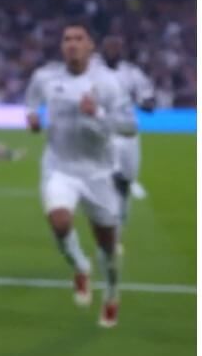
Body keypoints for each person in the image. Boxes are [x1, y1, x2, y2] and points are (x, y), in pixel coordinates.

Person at [25, 21, 137, 328]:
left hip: (98, 173)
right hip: (59, 167)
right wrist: (32, 117)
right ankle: (81, 266)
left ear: (90, 47)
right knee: (60, 223)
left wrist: (97, 113)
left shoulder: (109, 83)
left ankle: (112, 292)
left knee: (108, 245)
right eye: (66, 39)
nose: (71, 44)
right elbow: (32, 100)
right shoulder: (46, 77)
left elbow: (130, 127)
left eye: (79, 39)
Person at [95, 35, 155, 211]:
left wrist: (144, 102)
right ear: (103, 49)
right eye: (110, 47)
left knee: (126, 181)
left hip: (129, 134)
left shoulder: (132, 73)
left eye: (117, 47)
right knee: (112, 178)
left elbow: (149, 100)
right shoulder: (93, 72)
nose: (114, 51)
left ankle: (120, 215)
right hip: (105, 134)